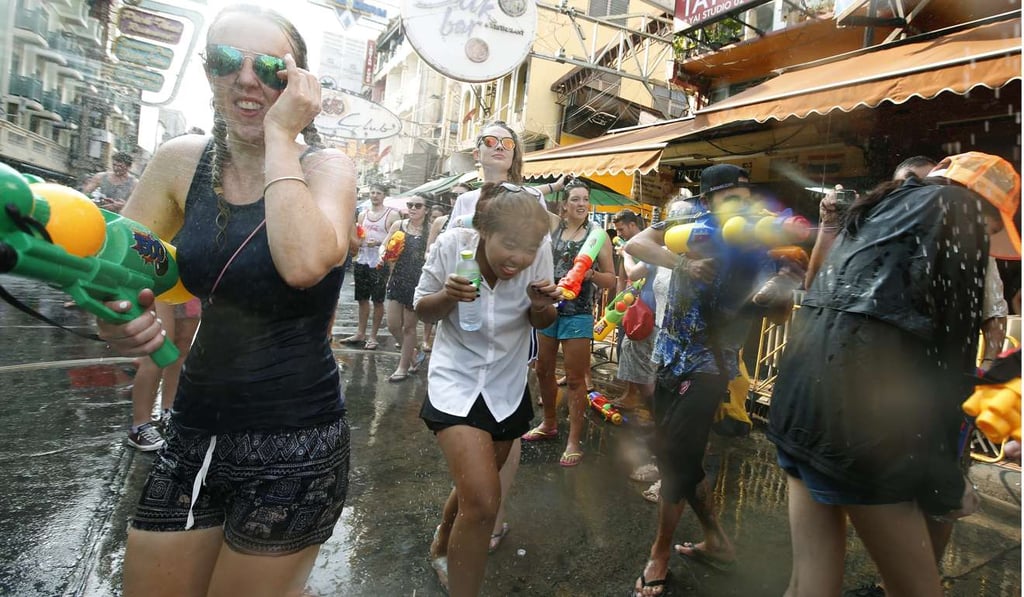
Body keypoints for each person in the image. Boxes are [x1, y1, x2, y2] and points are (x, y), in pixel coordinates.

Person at [95, 6, 356, 596]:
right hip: (191, 427)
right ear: (206, 73)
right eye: (224, 62)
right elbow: (115, 277)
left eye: (268, 67)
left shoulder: (328, 169)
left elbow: (303, 262)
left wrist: (281, 138)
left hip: (295, 439)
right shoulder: (177, 163)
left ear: (298, 83)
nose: (245, 79)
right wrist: (118, 324)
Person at [768, 152, 1018, 597]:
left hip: (800, 404)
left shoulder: (880, 207)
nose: (991, 236)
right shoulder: (957, 213)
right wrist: (944, 479)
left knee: (810, 583)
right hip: (862, 432)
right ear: (982, 206)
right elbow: (947, 360)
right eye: (995, 226)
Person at [624, 164, 797, 596]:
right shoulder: (691, 226)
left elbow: (780, 301)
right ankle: (717, 539)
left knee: (677, 454)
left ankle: (658, 553)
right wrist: (682, 262)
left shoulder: (760, 239)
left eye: (746, 195)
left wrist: (777, 291)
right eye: (731, 197)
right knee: (680, 459)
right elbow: (636, 241)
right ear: (708, 202)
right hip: (668, 357)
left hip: (711, 365)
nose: (742, 203)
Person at [415, 182, 560, 596]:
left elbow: (544, 320)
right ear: (483, 230)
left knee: (473, 491)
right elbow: (423, 307)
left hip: (506, 385)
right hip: (455, 379)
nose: (519, 258)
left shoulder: (537, 253)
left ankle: (444, 535)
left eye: (528, 248)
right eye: (509, 244)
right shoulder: (451, 246)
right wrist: (448, 295)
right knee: (482, 504)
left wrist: (539, 305)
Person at [524, 178, 616, 468]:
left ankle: (574, 440)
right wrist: (554, 185)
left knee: (576, 379)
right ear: (564, 205)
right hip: (549, 308)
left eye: (584, 199)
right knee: (543, 369)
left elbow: (611, 279)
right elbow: (526, 198)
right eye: (574, 199)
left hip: (578, 312)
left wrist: (590, 275)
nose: (580, 204)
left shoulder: (598, 235)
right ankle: (549, 423)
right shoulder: (554, 227)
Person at [125, 297, 201, 451]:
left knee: (181, 348)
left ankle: (169, 410)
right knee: (158, 347)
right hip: (164, 281)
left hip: (190, 287)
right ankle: (139, 427)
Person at [342, 182, 399, 350]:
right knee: (362, 299)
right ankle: (360, 332)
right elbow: (359, 235)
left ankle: (373, 336)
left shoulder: (392, 215)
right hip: (362, 261)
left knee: (378, 301)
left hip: (379, 263)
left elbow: (396, 243)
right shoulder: (363, 215)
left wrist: (380, 242)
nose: (374, 195)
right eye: (372, 192)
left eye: (378, 193)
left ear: (384, 195)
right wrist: (357, 242)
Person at [382, 192, 432, 382]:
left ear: (426, 210)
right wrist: (384, 255)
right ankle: (412, 354)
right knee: (393, 325)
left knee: (409, 328)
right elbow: (385, 247)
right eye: (410, 204)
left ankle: (403, 367)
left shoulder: (429, 230)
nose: (412, 208)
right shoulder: (399, 226)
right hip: (397, 279)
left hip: (418, 282)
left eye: (417, 206)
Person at [610, 209, 650, 410]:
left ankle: (635, 396)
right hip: (627, 306)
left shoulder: (646, 244)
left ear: (633, 225)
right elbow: (621, 277)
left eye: (621, 229)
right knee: (624, 350)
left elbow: (633, 273)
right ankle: (630, 393)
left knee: (635, 353)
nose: (618, 234)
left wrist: (626, 254)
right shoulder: (626, 246)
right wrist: (619, 305)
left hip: (643, 310)